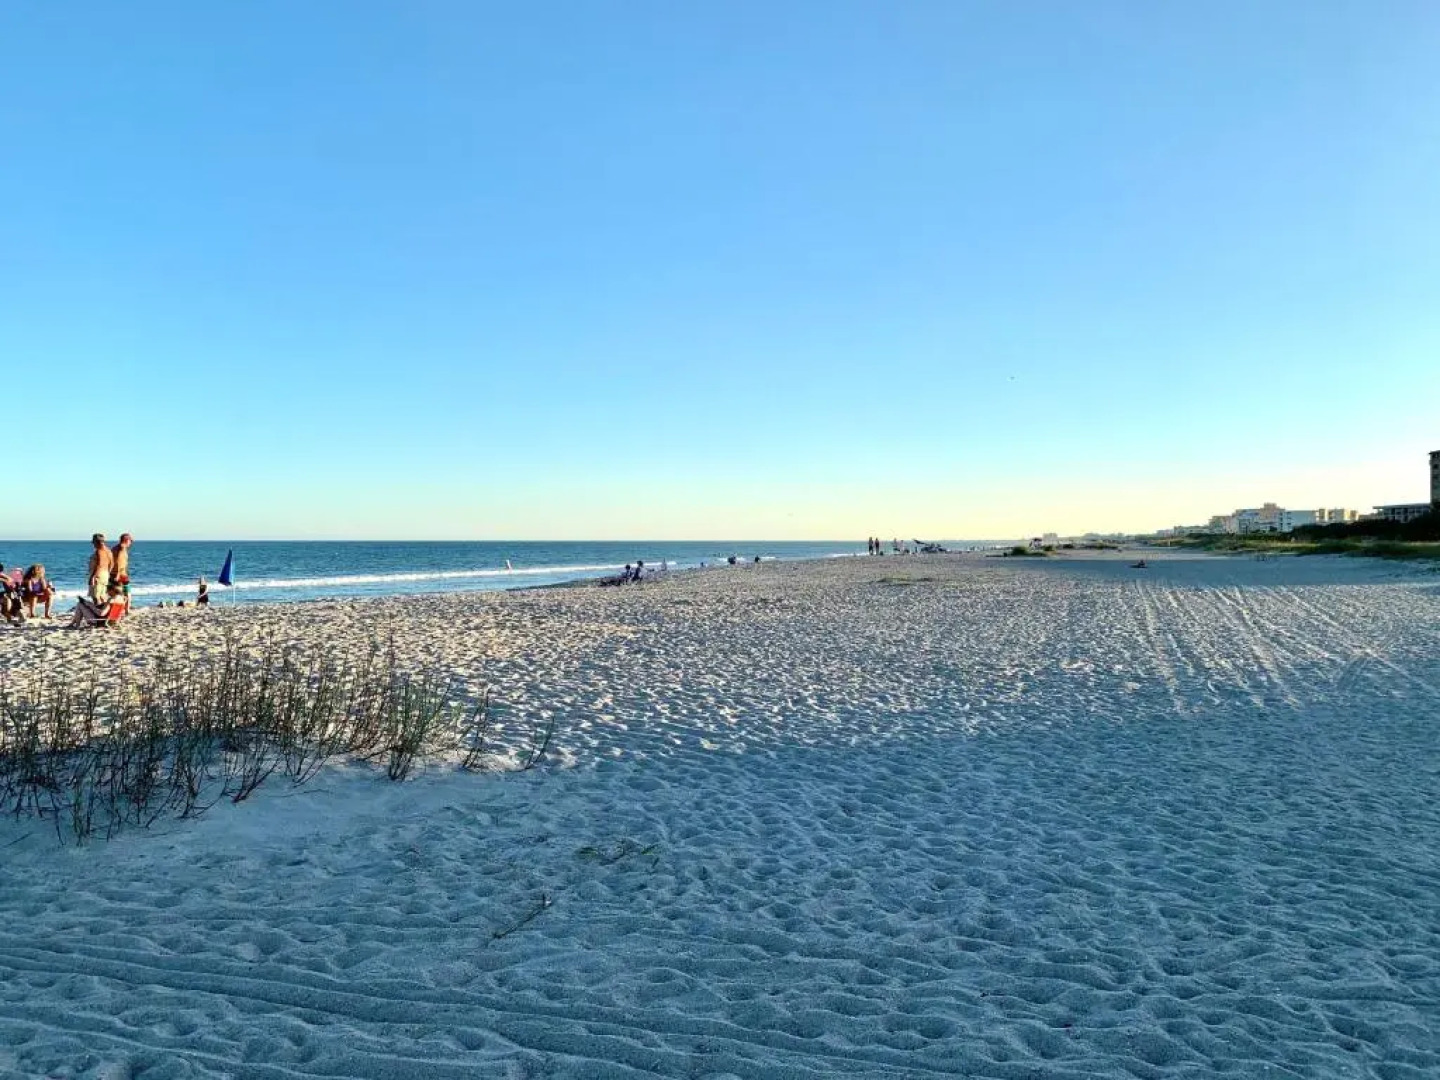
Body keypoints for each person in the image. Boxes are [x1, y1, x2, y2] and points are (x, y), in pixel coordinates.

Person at [88, 532, 113, 605]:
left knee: (96, 596)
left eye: (94, 543)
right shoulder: (108, 551)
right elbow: (112, 564)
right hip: (105, 574)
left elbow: (99, 564)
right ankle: (104, 611)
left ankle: (99, 612)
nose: (93, 545)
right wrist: (108, 572)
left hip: (98, 575)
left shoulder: (99, 551)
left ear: (97, 542)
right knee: (102, 596)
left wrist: (93, 576)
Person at [112, 533, 134, 613]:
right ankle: (127, 610)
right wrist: (118, 574)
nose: (131, 543)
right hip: (121, 574)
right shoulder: (122, 548)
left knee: (116, 593)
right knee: (127, 592)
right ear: (126, 540)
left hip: (114, 573)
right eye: (130, 541)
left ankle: (119, 610)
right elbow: (119, 561)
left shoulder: (114, 548)